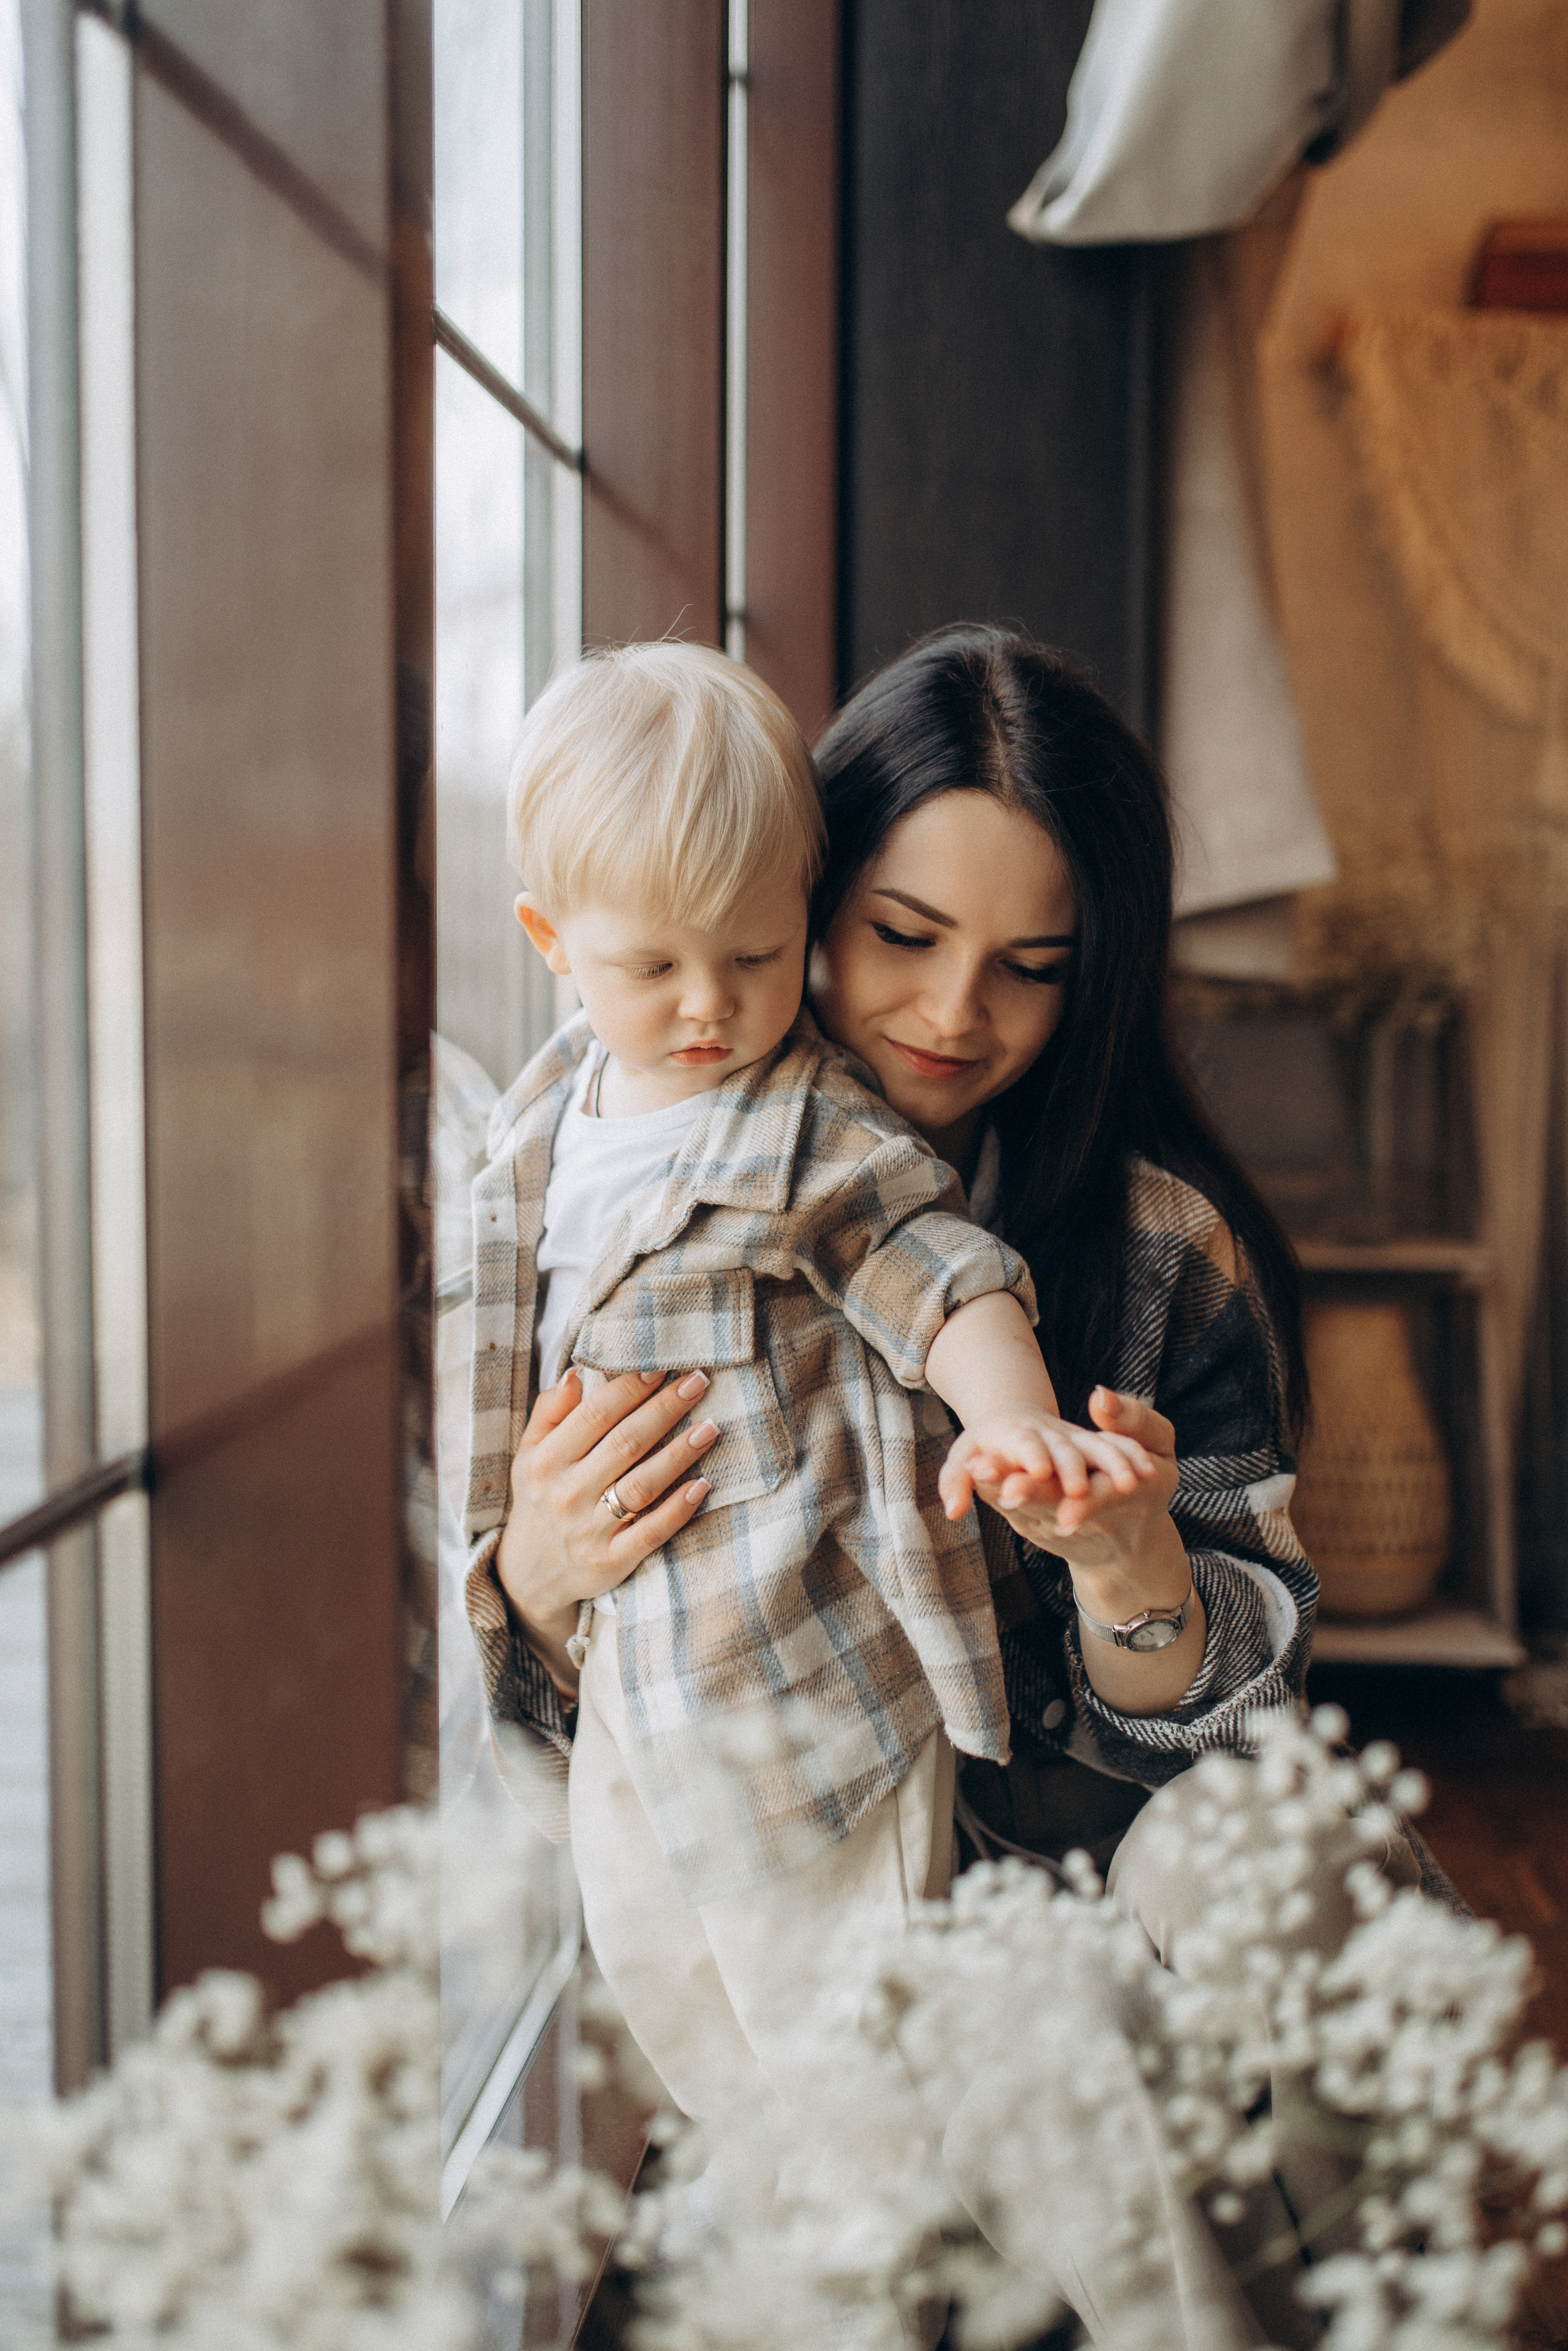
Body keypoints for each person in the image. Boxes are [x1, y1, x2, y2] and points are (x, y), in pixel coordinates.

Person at [461, 638, 1150, 2132]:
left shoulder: (810, 1133)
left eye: (755, 957)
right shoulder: (540, 1127)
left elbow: (938, 1268)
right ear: (554, 944)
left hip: (819, 1691)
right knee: (695, 2040)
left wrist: (1016, 1421)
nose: (711, 1005)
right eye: (655, 967)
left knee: (856, 2077)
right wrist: (523, 1564)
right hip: (641, 1699)